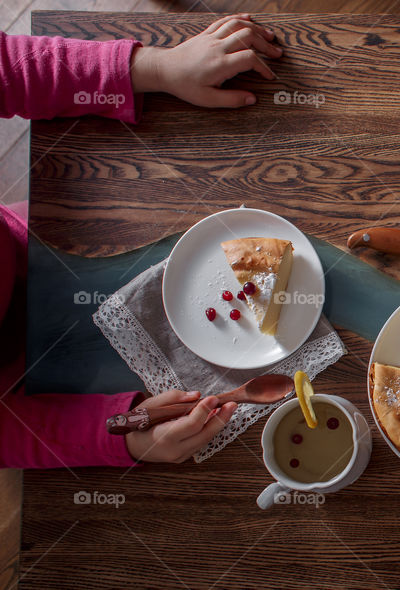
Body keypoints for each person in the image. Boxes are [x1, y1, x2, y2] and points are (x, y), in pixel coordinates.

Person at [0, 14, 282, 468]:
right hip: (38, 396)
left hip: (41, 241)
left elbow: (11, 68)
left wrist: (154, 69)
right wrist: (121, 438)